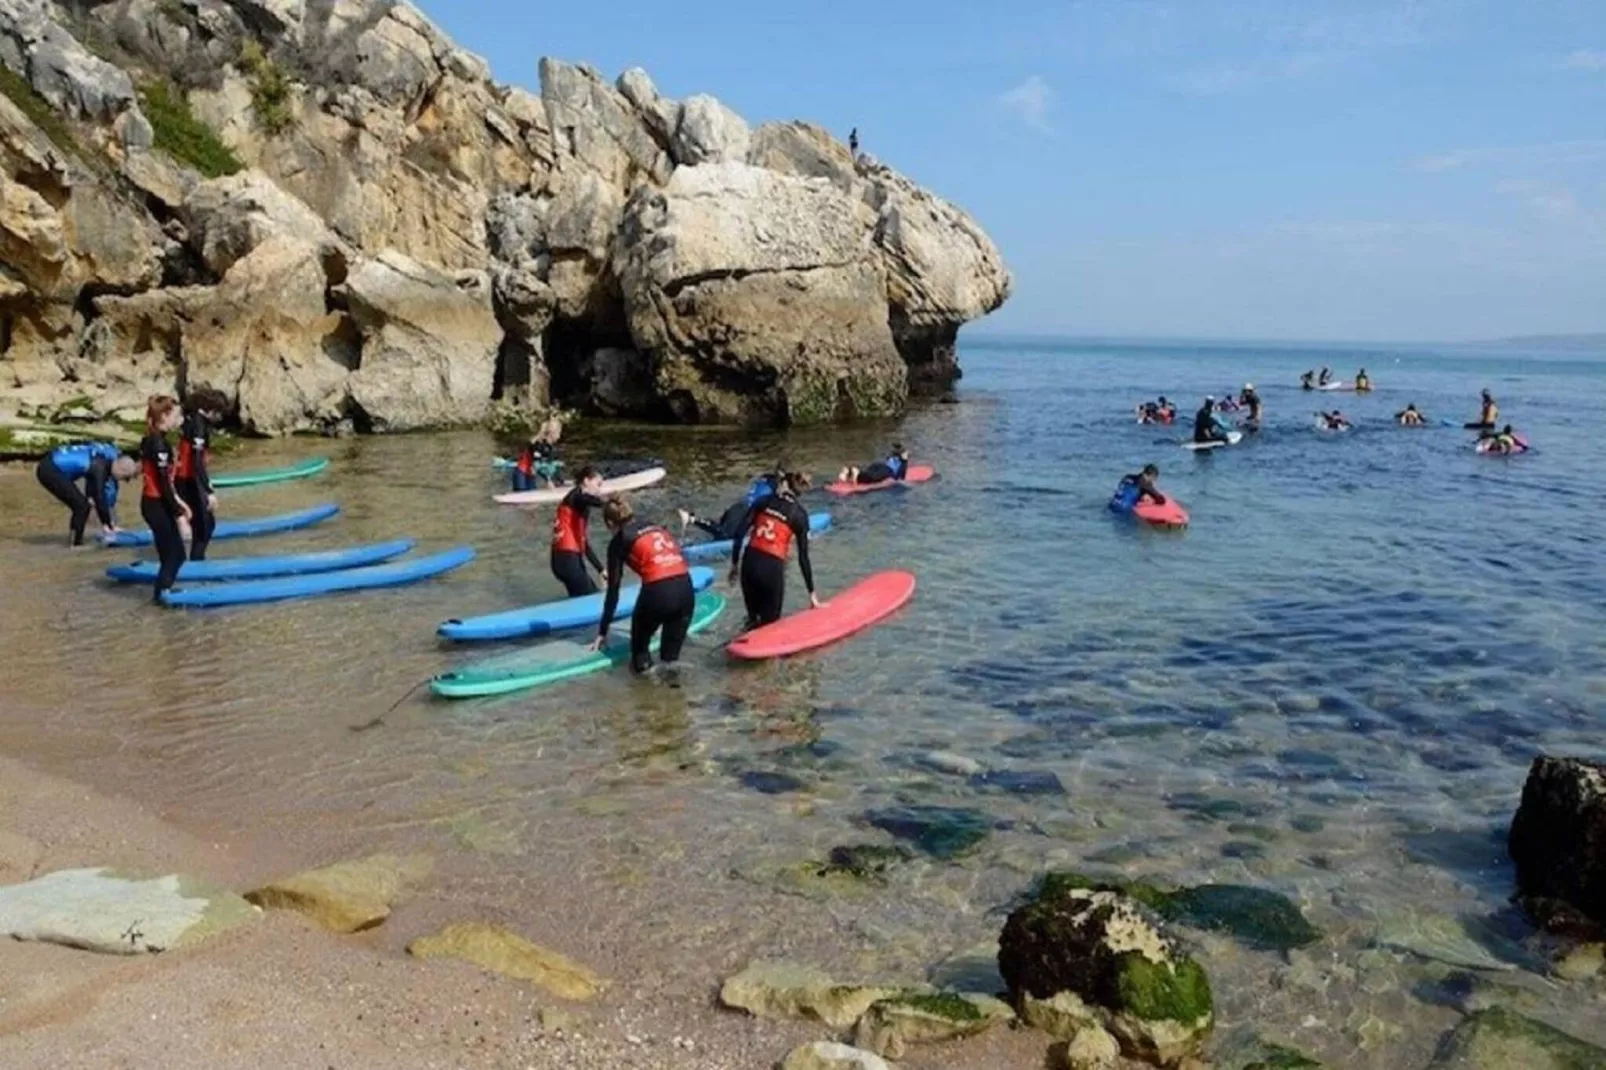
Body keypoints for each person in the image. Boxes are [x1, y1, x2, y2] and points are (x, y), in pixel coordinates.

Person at [591, 496, 696, 674]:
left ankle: (644, 697)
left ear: (609, 523)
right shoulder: (654, 526)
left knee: (640, 655)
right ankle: (675, 696)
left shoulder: (619, 540)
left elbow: (613, 590)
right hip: (686, 588)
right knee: (670, 662)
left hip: (659, 592)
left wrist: (603, 631)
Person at [729, 472, 821, 629]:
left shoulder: (763, 501)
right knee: (769, 627)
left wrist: (735, 565)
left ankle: (740, 645)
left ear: (784, 485)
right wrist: (811, 594)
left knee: (752, 620)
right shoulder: (799, 515)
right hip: (771, 567)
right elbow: (803, 558)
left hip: (749, 562)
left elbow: (739, 533)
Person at [139, 395, 191, 603]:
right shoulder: (158, 444)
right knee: (175, 555)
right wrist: (179, 515)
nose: (178, 419)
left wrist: (180, 502)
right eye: (175, 415)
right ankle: (161, 598)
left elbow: (166, 481)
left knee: (170, 555)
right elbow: (162, 482)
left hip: (156, 502)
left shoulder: (154, 439)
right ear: (165, 415)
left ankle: (161, 594)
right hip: (155, 505)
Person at [35, 441, 137, 546]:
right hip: (49, 470)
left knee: (83, 505)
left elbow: (94, 491)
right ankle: (75, 544)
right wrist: (108, 525)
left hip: (49, 463)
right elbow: (100, 496)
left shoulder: (102, 460)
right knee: (81, 506)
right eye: (126, 478)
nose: (124, 481)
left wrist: (106, 522)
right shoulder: (100, 468)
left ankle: (75, 541)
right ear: (120, 471)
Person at [175, 387, 226, 562]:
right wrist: (208, 490)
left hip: (183, 478)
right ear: (212, 410)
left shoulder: (190, 419)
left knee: (201, 522)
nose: (219, 419)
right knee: (206, 524)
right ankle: (197, 560)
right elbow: (196, 462)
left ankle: (192, 557)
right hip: (189, 480)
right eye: (219, 414)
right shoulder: (199, 425)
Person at [678, 464, 786, 541]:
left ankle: (693, 521)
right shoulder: (775, 487)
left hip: (739, 506)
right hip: (744, 511)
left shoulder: (765, 479)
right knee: (725, 534)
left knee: (721, 530)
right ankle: (691, 519)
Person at [548, 466, 606, 598]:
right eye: (598, 484)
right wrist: (609, 503)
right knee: (592, 599)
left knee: (584, 597)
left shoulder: (578, 508)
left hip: (564, 560)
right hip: (567, 560)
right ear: (586, 481)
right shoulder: (576, 497)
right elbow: (585, 499)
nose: (599, 489)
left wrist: (600, 569)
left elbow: (583, 542)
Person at [511, 416, 563, 491]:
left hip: (531, 475)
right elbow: (535, 466)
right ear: (552, 433)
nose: (559, 436)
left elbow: (548, 467)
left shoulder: (550, 447)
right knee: (522, 499)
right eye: (558, 433)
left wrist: (558, 480)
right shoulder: (538, 445)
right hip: (521, 473)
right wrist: (548, 481)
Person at [839, 443, 910, 485]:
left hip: (879, 465)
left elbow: (888, 459)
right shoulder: (903, 463)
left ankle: (850, 472)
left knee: (868, 472)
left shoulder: (892, 455)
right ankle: (855, 471)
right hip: (887, 470)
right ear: (903, 454)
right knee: (872, 478)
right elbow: (900, 477)